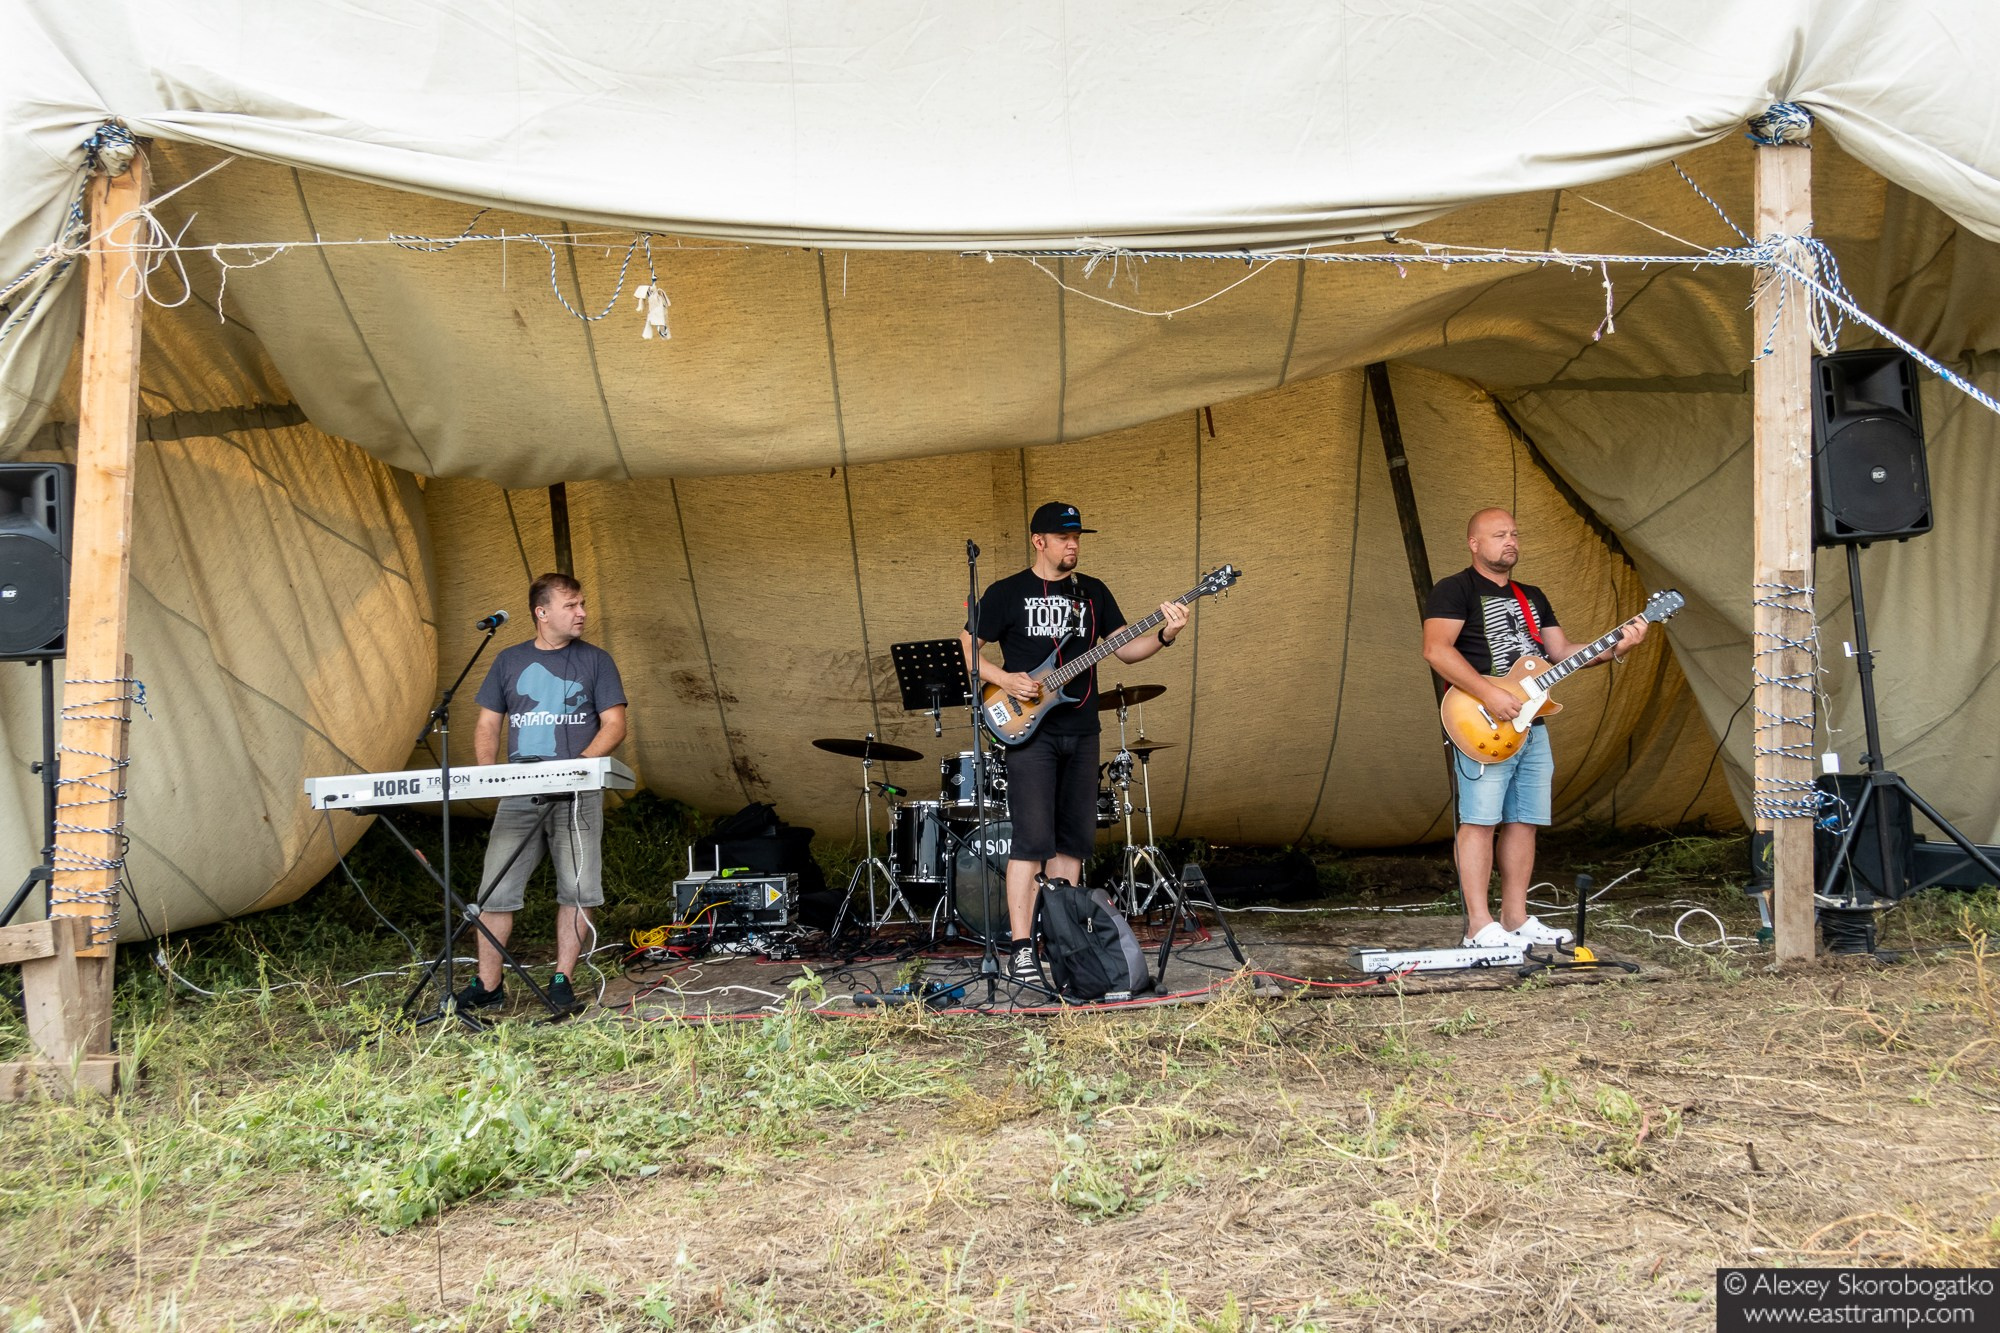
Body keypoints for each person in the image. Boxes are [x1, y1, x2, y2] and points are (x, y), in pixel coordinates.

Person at [961, 502, 1188, 986]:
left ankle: (1066, 941)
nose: (1074, 544)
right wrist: (1006, 678)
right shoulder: (1007, 593)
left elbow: (1126, 649)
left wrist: (1166, 634)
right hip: (1029, 732)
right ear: (1038, 541)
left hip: (1083, 731)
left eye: (1078, 537)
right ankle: (1022, 949)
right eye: (1064, 537)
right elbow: (966, 648)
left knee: (1073, 843)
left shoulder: (1094, 593)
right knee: (1030, 842)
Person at [1422, 508, 1645, 949]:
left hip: (1531, 723)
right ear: (1474, 543)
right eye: (1499, 534)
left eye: (1515, 534)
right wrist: (1488, 694)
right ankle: (1478, 925)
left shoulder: (1532, 595)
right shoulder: (1454, 590)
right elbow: (1436, 650)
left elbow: (1561, 652)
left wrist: (1616, 645)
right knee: (1480, 821)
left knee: (1525, 820)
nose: (1511, 541)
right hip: (1482, 719)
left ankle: (1515, 917)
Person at [455, 572, 628, 1013]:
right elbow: (488, 723)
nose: (582, 612)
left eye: (582, 604)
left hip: (578, 792)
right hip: (520, 789)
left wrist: (580, 767)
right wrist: (488, 776)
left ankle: (561, 980)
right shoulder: (508, 660)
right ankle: (488, 984)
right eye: (572, 605)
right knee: (495, 889)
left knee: (578, 888)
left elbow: (614, 725)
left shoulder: (597, 661)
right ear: (542, 612)